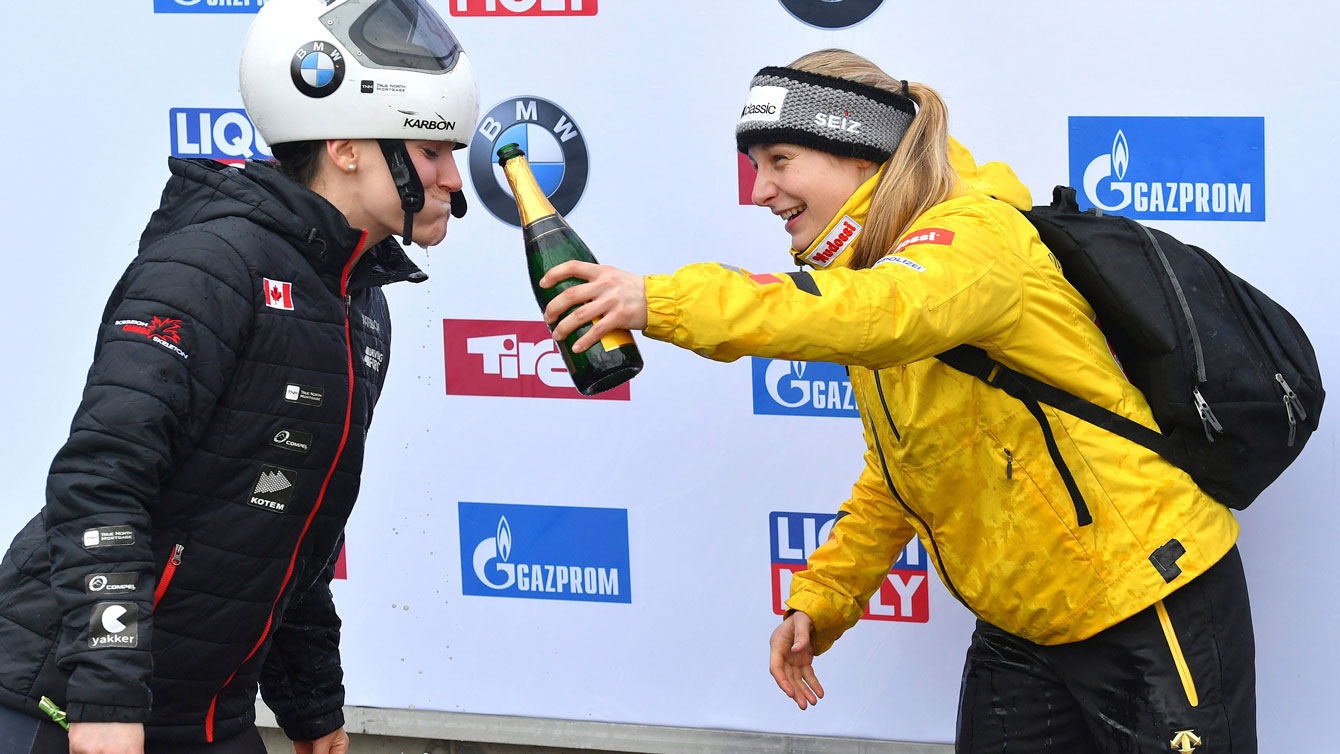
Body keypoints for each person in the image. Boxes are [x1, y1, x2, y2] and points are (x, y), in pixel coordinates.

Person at [541, 50, 1256, 752]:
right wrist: (823, 599)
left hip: (1142, 594)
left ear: (861, 155)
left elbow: (884, 312)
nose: (760, 190)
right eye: (755, 166)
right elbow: (905, 470)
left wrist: (659, 299)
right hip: (1022, 620)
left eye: (780, 160)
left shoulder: (972, 236)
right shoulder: (871, 266)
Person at [0, 0, 478, 752]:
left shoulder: (361, 301)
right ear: (346, 145)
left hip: (207, 715)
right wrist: (106, 697)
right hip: (66, 709)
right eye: (431, 152)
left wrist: (312, 702)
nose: (456, 177)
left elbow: (295, 524)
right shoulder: (210, 265)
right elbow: (101, 482)